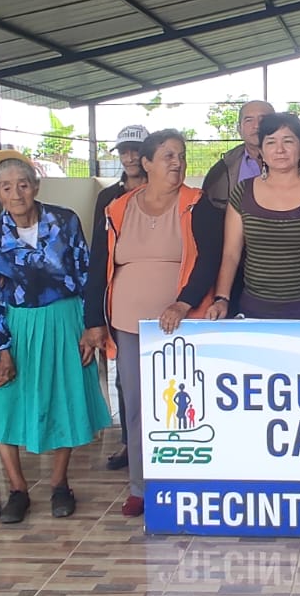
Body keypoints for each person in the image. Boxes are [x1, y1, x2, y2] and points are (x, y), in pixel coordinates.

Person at [84, 129, 220, 518]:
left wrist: (183, 302)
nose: (177, 162)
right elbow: (99, 264)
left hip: (184, 323)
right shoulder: (117, 208)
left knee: (186, 406)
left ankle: (188, 481)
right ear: (146, 163)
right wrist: (93, 320)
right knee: (137, 405)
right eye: (168, 156)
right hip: (129, 324)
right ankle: (142, 487)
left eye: (181, 155)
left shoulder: (198, 205)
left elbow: (209, 260)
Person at [0, 152, 112, 523]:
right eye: (7, 187)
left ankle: (59, 484)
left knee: (64, 395)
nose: (16, 194)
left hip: (64, 319)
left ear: (36, 186)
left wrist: (90, 325)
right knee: (5, 402)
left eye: (23, 185)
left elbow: (86, 274)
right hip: (16, 325)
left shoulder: (64, 221)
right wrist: (3, 349)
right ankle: (17, 489)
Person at [208, 113, 300, 321]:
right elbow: (230, 254)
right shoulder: (242, 192)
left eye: (288, 141)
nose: (279, 150)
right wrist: (222, 298)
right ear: (261, 151)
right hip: (256, 309)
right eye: (271, 142)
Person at [84, 123, 149, 472]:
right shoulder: (107, 198)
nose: (130, 156)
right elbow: (100, 254)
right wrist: (94, 314)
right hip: (121, 299)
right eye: (124, 150)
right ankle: (129, 441)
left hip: (160, 299)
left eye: (136, 150)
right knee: (126, 376)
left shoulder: (167, 194)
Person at [200, 99, 275, 210]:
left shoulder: (298, 165)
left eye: (263, 119)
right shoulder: (222, 170)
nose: (257, 125)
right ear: (239, 129)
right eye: (249, 120)